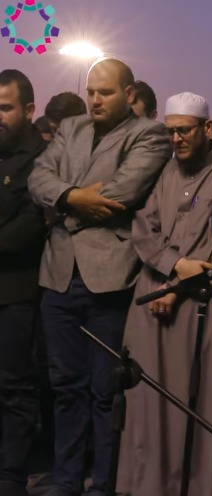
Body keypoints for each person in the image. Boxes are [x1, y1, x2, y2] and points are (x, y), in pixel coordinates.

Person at [27, 57, 171, 495]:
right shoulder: (71, 127)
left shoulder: (149, 133)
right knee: (64, 389)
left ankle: (103, 485)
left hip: (110, 279)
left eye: (104, 92)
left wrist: (59, 206)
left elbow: (122, 193)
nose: (94, 100)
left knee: (106, 391)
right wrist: (73, 196)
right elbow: (38, 178)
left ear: (129, 94)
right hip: (57, 276)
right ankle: (67, 482)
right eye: (90, 92)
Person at [115, 92, 212, 495]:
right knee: (148, 402)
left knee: (197, 401)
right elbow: (143, 229)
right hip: (152, 293)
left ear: (207, 128)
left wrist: (179, 283)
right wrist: (172, 267)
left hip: (200, 299)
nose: (176, 139)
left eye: (184, 130)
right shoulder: (164, 171)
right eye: (170, 132)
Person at [0, 69, 48, 496]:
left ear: (29, 110)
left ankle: (11, 477)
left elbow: (26, 230)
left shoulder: (43, 160)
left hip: (15, 294)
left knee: (13, 388)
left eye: (5, 107)